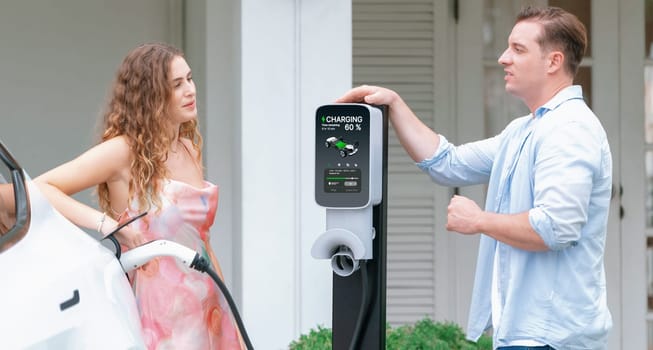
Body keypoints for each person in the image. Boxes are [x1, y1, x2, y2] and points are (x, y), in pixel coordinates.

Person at [337, 6, 612, 350]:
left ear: (553, 61)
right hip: (524, 333)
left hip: (552, 337)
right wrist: (394, 104)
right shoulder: (525, 130)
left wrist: (479, 220)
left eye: (518, 49)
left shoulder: (569, 129)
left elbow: (555, 227)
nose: (502, 58)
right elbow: (446, 162)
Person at [19, 43, 243, 349]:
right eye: (177, 85)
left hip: (208, 310)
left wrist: (233, 323)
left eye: (189, 79)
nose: (190, 90)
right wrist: (106, 224)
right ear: (151, 95)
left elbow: (204, 244)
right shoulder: (124, 152)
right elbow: (41, 188)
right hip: (159, 318)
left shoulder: (189, 149)